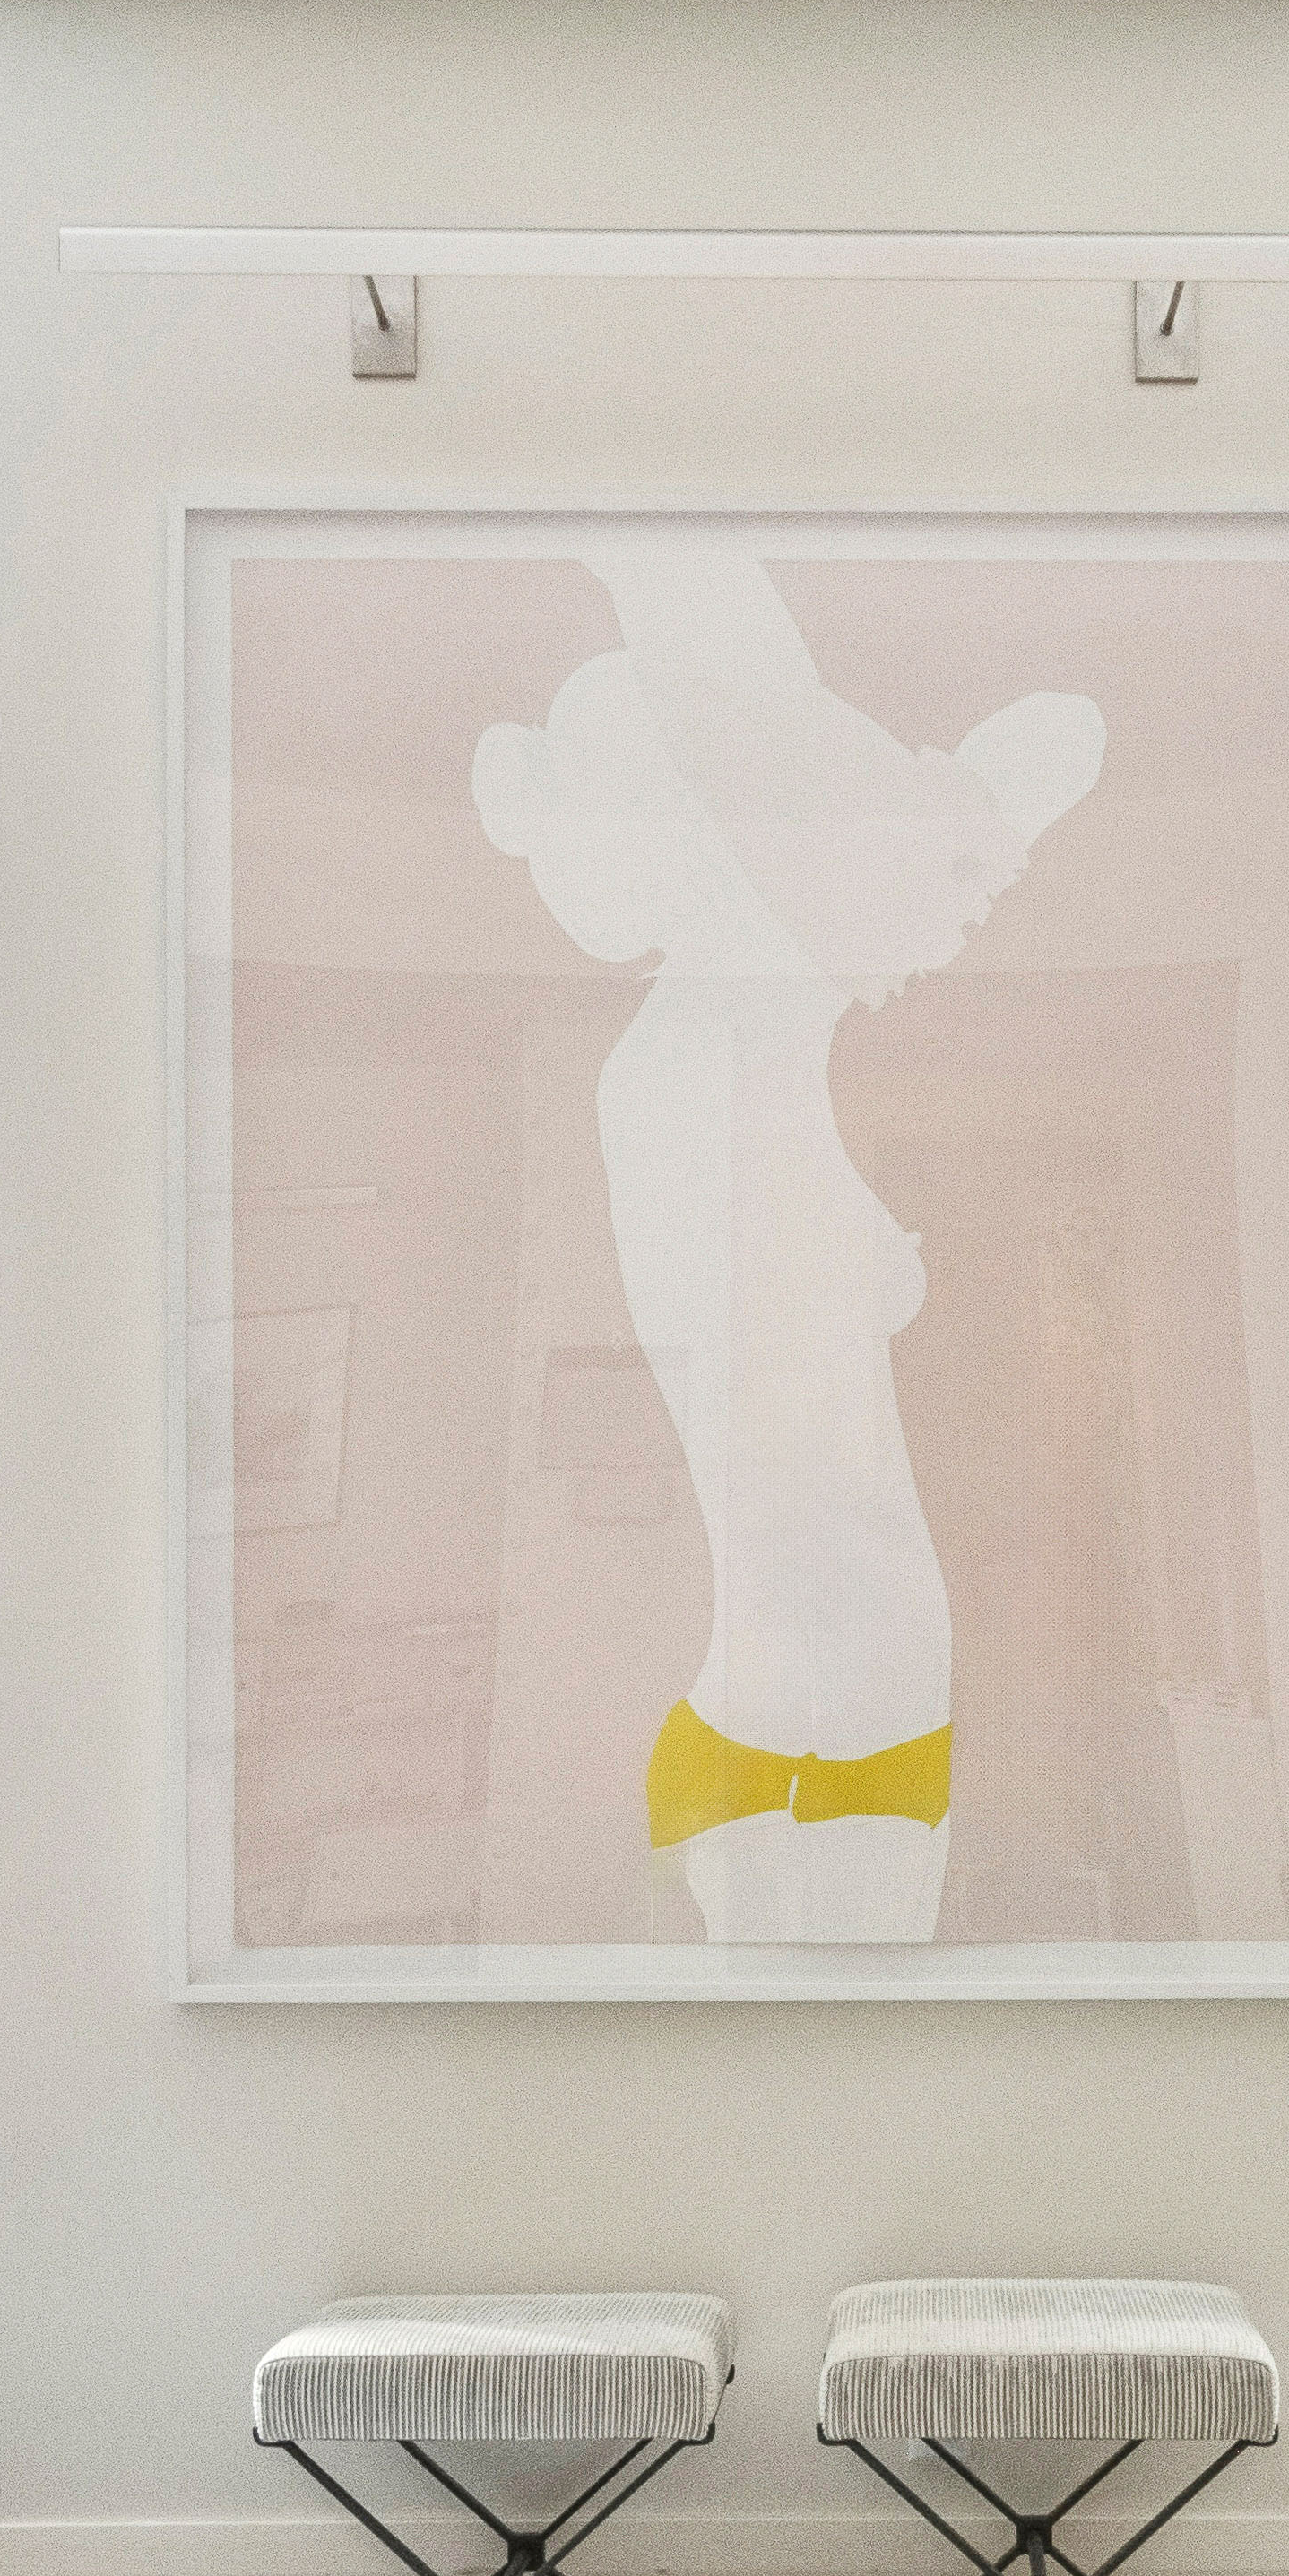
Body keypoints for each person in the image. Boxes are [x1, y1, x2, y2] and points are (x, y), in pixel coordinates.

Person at [472, 553, 1094, 1946]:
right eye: (939, 851)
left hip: (825, 1724)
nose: (972, 903)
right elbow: (780, 1438)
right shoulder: (699, 1082)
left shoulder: (720, 1074)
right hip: (822, 1745)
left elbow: (1052, 749)